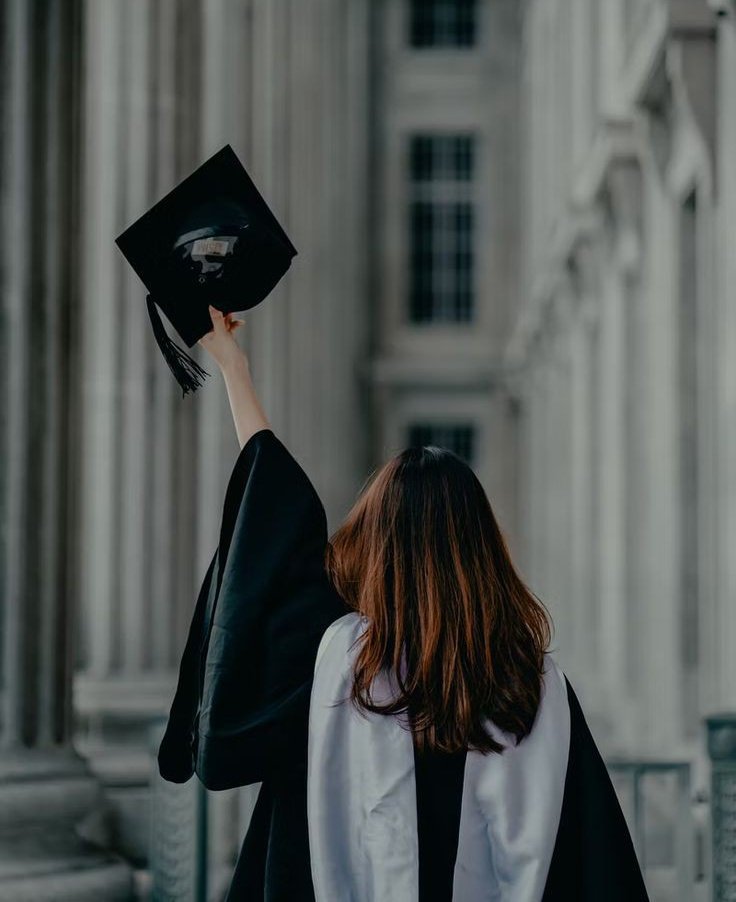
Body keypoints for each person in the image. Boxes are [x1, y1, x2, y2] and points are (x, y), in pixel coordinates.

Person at [157, 303, 649, 901]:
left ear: (375, 546)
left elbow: (274, 520)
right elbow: (599, 869)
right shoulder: (534, 687)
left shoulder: (336, 667)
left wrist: (234, 368)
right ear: (483, 551)